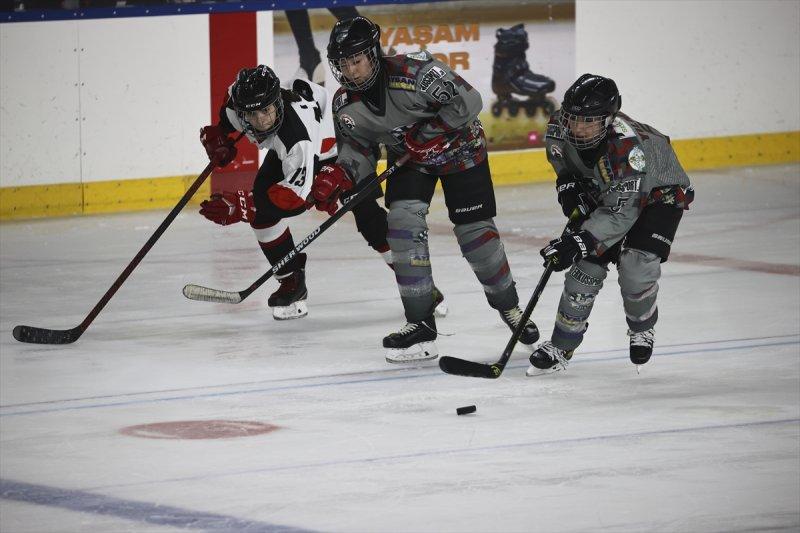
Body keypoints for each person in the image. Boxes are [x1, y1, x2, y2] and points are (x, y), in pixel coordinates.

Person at [309, 16, 539, 364]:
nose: (351, 71)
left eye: (356, 60)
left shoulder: (416, 73)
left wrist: (432, 130)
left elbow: (469, 101)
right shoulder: (346, 106)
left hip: (461, 149)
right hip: (410, 160)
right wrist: (340, 175)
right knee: (401, 225)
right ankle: (420, 324)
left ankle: (510, 309)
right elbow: (359, 150)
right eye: (343, 64)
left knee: (475, 235)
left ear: (373, 54)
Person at [198, 65, 446, 320]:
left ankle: (420, 287)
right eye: (252, 114)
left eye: (266, 110)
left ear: (277, 103)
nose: (262, 120)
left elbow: (296, 198)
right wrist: (219, 136)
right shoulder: (239, 102)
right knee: (262, 214)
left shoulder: (297, 138)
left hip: (343, 144)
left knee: (369, 219)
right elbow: (227, 117)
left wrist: (243, 206)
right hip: (295, 149)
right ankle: (292, 282)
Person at [527, 74, 694, 376]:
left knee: (635, 265)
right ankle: (562, 345)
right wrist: (568, 184)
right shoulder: (558, 126)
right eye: (573, 118)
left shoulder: (630, 152)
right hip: (611, 190)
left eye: (588, 122)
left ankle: (642, 327)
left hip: (659, 194)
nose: (578, 128)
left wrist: (579, 242)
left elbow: (621, 214)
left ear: (608, 119)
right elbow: (562, 160)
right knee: (585, 270)